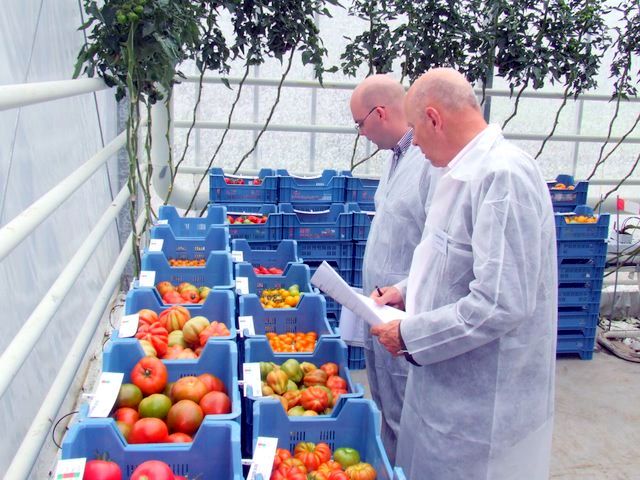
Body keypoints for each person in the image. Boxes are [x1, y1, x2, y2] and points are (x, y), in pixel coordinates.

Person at [371, 68, 557, 479]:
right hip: (446, 386)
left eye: (416, 131)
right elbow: (450, 259)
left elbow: (500, 302)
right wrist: (405, 290)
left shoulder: (503, 177)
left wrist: (410, 335)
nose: (415, 143)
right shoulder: (460, 172)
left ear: (434, 119)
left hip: (484, 405)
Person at [348, 74, 441, 464]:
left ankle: (405, 469)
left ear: (380, 113)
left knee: (405, 409)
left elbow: (440, 248)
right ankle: (389, 467)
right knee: (385, 403)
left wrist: (403, 288)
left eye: (360, 123)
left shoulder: (429, 163)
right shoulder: (396, 158)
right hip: (380, 308)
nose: (361, 132)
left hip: (405, 312)